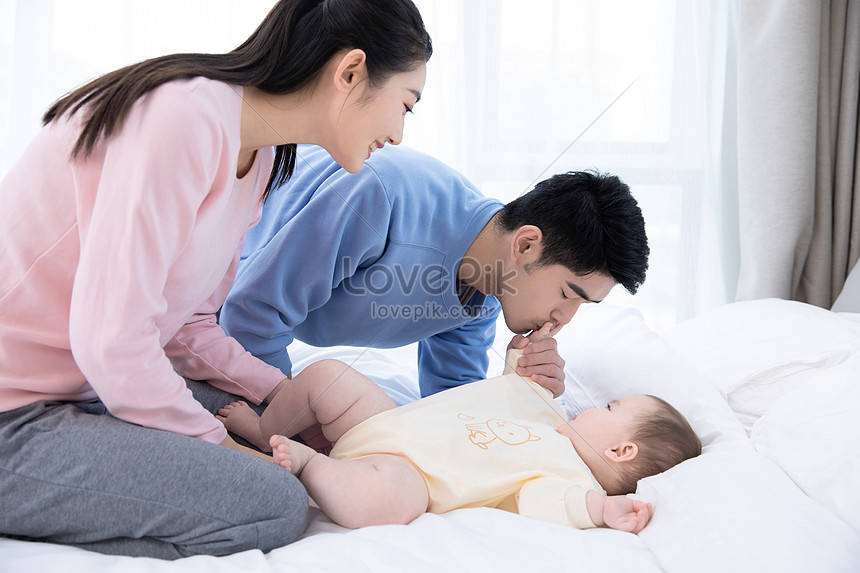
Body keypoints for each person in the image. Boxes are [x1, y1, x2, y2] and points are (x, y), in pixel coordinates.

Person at [0, 0, 431, 559]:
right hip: (17, 411)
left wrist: (279, 393)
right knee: (274, 501)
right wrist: (221, 447)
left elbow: (184, 326)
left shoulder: (260, 150)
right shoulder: (183, 118)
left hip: (81, 388)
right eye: (405, 105)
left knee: (281, 429)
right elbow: (113, 342)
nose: (397, 134)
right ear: (349, 73)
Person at [220, 144, 649, 401]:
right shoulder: (382, 197)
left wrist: (522, 393)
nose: (563, 318)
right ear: (525, 244)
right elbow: (251, 313)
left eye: (582, 305)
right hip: (196, 301)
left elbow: (449, 402)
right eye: (568, 294)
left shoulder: (483, 294)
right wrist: (293, 415)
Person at [216, 351, 702, 532]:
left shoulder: (569, 476)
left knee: (385, 505)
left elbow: (558, 503)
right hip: (385, 424)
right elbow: (508, 392)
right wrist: (522, 359)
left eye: (610, 409)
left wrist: (605, 511)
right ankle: (265, 429)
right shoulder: (552, 415)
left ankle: (310, 465)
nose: (594, 407)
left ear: (621, 451)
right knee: (328, 377)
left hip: (412, 477)